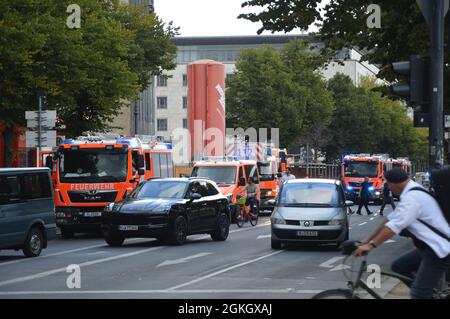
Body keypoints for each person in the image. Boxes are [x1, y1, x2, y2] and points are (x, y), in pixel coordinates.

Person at [354, 168, 450, 299]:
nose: (388, 188)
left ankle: (424, 293)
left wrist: (371, 245)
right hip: (427, 248)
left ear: (393, 184)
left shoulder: (412, 198)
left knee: (418, 293)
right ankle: (428, 293)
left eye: (387, 184)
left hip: (439, 250)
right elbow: (390, 220)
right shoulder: (411, 191)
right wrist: (366, 240)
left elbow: (393, 228)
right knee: (399, 267)